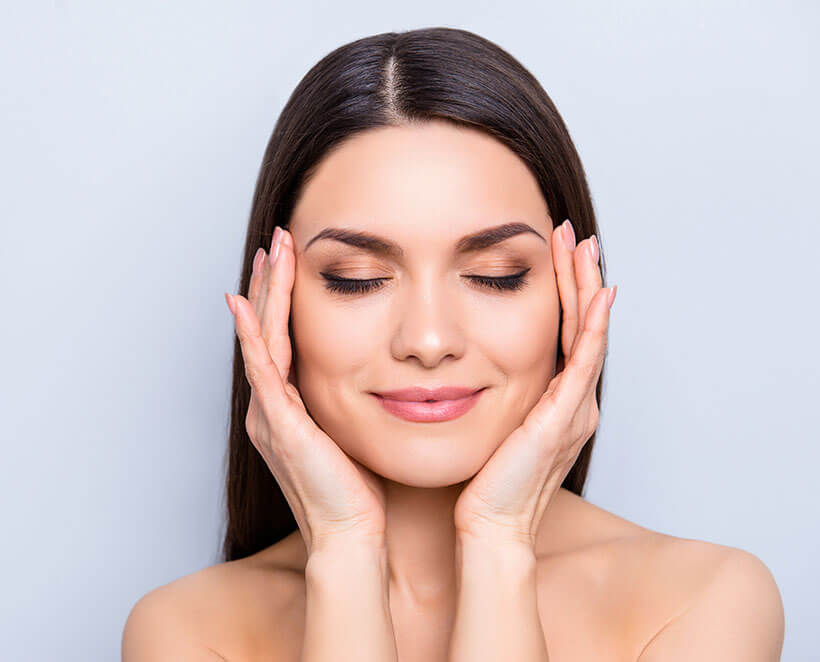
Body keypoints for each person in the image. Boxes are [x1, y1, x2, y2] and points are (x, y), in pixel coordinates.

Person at [122, 27, 785, 661]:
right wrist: (345, 553)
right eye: (357, 280)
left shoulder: (701, 601)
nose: (429, 340)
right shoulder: (189, 630)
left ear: (571, 293)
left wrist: (498, 542)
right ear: (276, 303)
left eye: (496, 275)